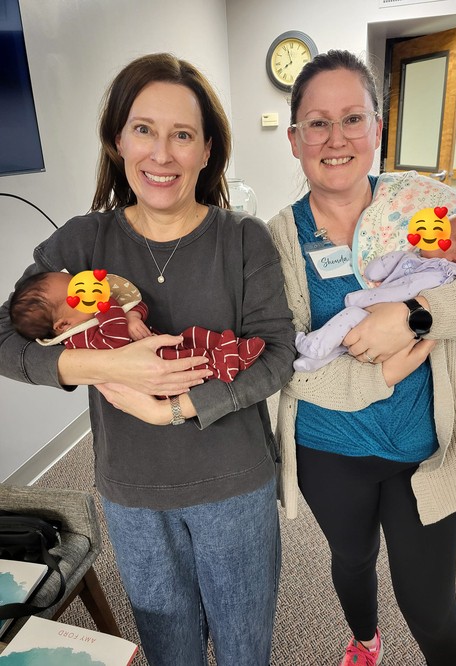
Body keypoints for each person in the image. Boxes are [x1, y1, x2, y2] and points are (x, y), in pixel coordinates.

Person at [0, 53, 296, 666]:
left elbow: (277, 355)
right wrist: (102, 367)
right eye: (143, 129)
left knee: (245, 650)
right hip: (134, 496)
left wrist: (178, 406)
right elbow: (5, 337)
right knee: (169, 651)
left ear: (207, 150)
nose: (161, 154)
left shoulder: (244, 239)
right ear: (118, 140)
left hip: (234, 486)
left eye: (182, 134)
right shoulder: (83, 241)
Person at [267, 49, 456, 666]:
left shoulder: (424, 206)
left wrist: (415, 314)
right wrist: (379, 375)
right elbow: (282, 362)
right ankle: (366, 640)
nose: (335, 138)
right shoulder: (275, 239)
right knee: (352, 561)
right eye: (317, 123)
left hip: (424, 446)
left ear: (378, 128)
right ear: (294, 139)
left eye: (353, 118)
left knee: (430, 606)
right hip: (328, 449)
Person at [294, 210, 456, 371]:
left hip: (387, 327)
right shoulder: (433, 267)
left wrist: (367, 297)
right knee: (345, 338)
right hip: (396, 344)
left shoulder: (439, 275)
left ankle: (312, 347)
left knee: (350, 316)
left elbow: (382, 278)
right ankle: (312, 361)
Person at [9, 270, 266, 383]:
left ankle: (232, 346)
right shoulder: (81, 339)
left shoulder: (95, 315)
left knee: (191, 335)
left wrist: (132, 316)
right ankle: (226, 364)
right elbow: (116, 339)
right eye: (79, 292)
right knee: (192, 360)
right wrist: (104, 303)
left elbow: (136, 305)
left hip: (161, 343)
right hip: (157, 366)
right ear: (64, 324)